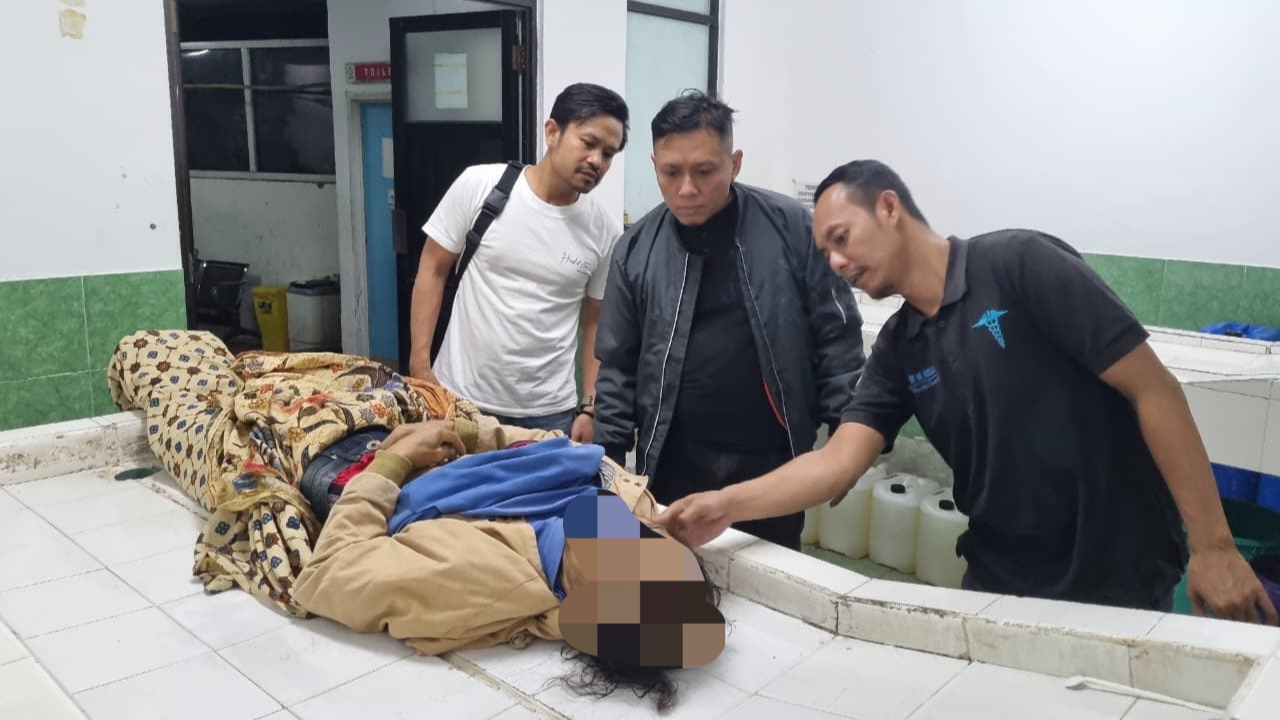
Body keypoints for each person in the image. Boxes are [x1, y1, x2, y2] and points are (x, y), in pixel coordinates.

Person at [655, 159, 1280, 625]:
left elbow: (1154, 390)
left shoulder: (1017, 264)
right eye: (826, 253)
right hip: (1000, 576)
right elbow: (837, 461)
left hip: (1116, 570)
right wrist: (726, 504)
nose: (836, 263)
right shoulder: (899, 347)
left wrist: (1215, 546)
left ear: (889, 207)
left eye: (841, 238)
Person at [289, 420, 726, 713]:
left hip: (345, 463)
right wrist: (461, 430)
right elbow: (548, 441)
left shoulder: (477, 580)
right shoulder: (626, 502)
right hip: (420, 426)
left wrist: (396, 459)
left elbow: (330, 572)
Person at [591, 91, 865, 551]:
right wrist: (611, 464)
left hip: (772, 468)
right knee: (669, 581)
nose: (687, 189)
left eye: (704, 171)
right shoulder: (636, 250)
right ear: (654, 164)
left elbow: (837, 337)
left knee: (769, 580)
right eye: (671, 173)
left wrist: (845, 438)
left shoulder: (791, 228)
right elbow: (617, 364)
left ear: (734, 164)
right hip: (672, 461)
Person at [408, 82, 630, 441]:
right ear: (552, 132)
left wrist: (590, 405)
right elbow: (432, 270)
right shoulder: (480, 185)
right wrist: (420, 364)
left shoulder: (604, 229)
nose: (597, 161)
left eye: (608, 153)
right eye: (588, 143)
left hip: (549, 412)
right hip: (459, 399)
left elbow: (596, 321)